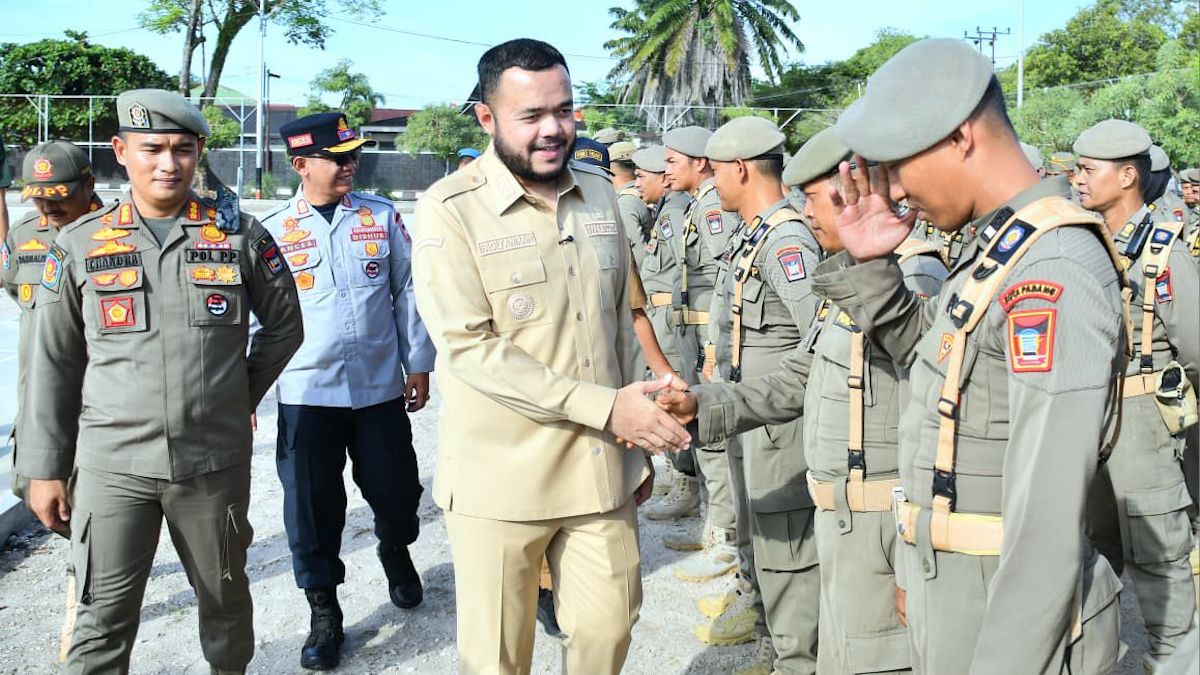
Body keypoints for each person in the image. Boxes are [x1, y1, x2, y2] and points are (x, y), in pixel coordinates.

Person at [741, 39, 1124, 673]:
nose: (890, 188)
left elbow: (1046, 523)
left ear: (961, 136)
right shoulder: (993, 252)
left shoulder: (1051, 267)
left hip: (1008, 607)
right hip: (954, 580)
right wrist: (871, 266)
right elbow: (936, 380)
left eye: (895, 164)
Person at [410, 39, 690, 675]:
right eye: (531, 115)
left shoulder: (599, 197)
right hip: (501, 484)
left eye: (563, 111)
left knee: (608, 632)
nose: (553, 129)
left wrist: (638, 434)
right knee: (498, 659)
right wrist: (607, 410)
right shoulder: (449, 209)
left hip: (600, 474)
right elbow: (469, 348)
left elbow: (620, 320)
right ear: (487, 118)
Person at [19, 88, 304, 674]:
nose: (168, 164)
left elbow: (284, 327)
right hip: (111, 465)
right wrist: (43, 468)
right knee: (102, 617)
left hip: (211, 463)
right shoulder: (78, 245)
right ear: (121, 152)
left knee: (224, 602)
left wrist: (232, 396)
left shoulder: (239, 236)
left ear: (199, 152)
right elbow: (52, 362)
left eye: (182, 149)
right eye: (152, 149)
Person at [259, 111, 436, 670]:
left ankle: (395, 548)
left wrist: (418, 363)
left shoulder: (381, 218)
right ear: (301, 164)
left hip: (379, 386)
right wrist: (241, 394)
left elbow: (409, 291)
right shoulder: (272, 230)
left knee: (398, 490)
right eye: (337, 158)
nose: (349, 165)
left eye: (352, 155)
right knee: (311, 509)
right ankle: (324, 610)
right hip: (307, 392)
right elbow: (251, 320)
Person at [1074, 120, 1199, 670]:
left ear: (1127, 176)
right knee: (1089, 556)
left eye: (1087, 170)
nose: (1077, 179)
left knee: (1160, 560)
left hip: (1145, 422)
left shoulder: (1165, 252)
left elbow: (1197, 349)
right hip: (1085, 420)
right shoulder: (1080, 244)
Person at [662, 126, 741, 582]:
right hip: (694, 334)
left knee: (714, 435)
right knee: (702, 435)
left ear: (700, 162)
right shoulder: (699, 204)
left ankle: (724, 535)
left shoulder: (713, 206)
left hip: (708, 335)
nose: (666, 170)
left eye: (673, 161)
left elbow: (724, 278)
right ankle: (715, 523)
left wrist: (714, 345)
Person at [4, 140, 104, 496]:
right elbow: (18, 291)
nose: (47, 205)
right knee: (29, 490)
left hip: (101, 402)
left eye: (59, 195)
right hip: (42, 401)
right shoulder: (23, 235)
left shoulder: (119, 235)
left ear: (89, 185)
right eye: (38, 196)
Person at [635, 144, 703, 521]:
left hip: (671, 315)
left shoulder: (677, 212)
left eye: (645, 176)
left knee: (674, 395)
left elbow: (688, 268)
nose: (638, 182)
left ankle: (687, 483)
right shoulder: (667, 210)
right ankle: (680, 475)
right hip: (660, 313)